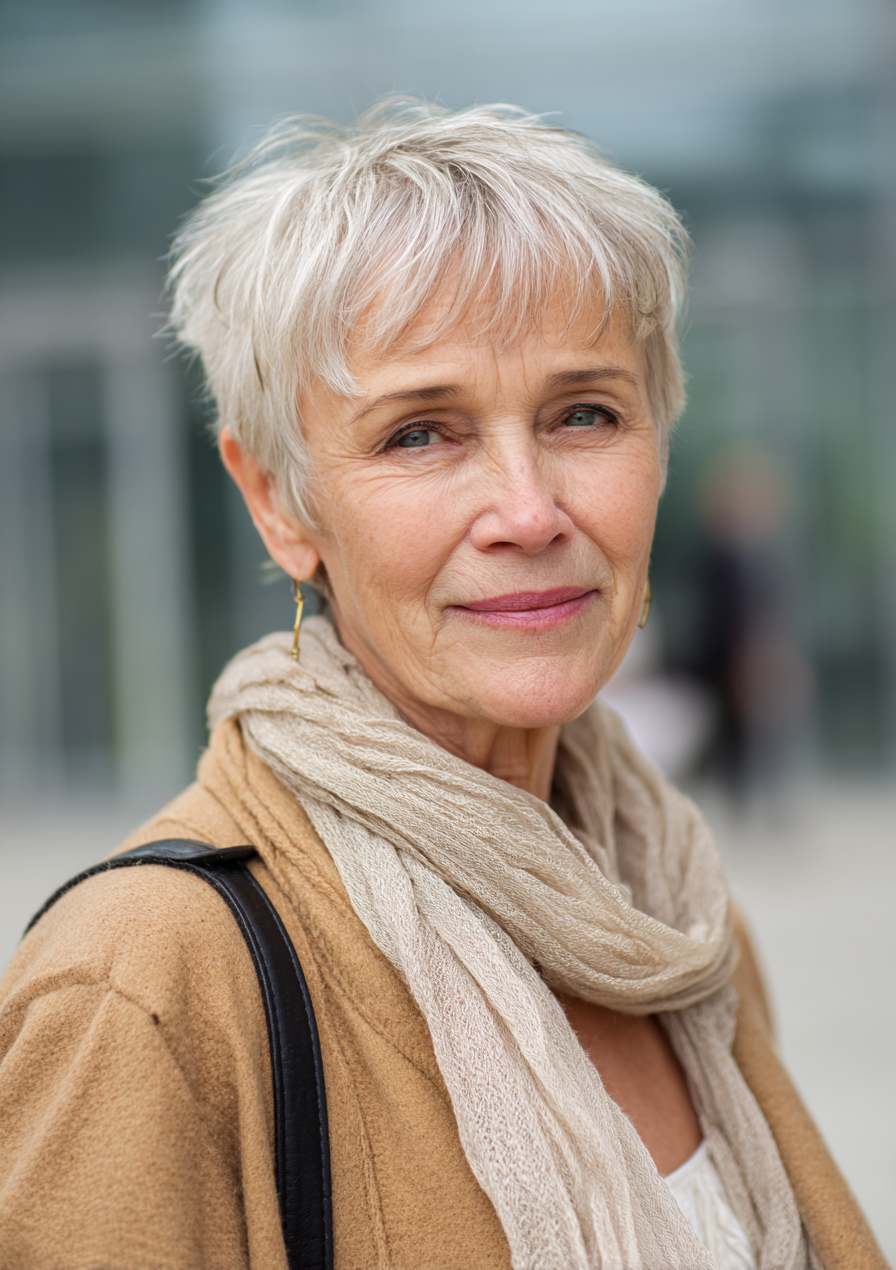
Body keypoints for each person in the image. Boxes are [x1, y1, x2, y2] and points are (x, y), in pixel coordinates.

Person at [0, 100, 883, 1270]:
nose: (528, 511)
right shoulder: (148, 986)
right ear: (277, 500)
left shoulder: (673, 918)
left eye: (583, 414)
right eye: (420, 434)